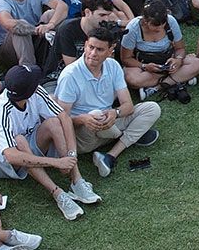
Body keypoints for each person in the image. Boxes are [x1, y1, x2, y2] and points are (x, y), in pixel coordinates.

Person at [0, 64, 101, 222]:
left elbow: (63, 117)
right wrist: (56, 162)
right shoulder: (0, 111)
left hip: (29, 143)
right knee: (20, 141)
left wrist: (71, 155)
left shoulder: (36, 91)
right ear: (26, 93)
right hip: (0, 162)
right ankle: (58, 193)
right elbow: (11, 156)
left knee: (53, 122)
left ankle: (77, 180)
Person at [55, 24, 161, 178]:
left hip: (108, 123)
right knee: (97, 114)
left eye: (100, 50)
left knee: (152, 108)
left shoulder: (113, 66)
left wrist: (115, 112)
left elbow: (128, 106)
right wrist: (83, 119)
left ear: (111, 50)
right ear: (85, 45)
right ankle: (129, 135)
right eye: (90, 47)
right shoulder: (70, 75)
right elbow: (61, 119)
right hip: (84, 134)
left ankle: (110, 155)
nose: (93, 53)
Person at [120, 0, 199, 103]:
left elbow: (180, 48)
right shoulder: (133, 28)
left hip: (168, 61)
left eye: (163, 24)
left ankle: (157, 87)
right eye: (155, 25)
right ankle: (179, 79)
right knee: (131, 78)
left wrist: (178, 60)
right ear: (145, 21)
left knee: (197, 64)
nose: (160, 27)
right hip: (146, 65)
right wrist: (145, 66)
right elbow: (126, 58)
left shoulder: (171, 21)